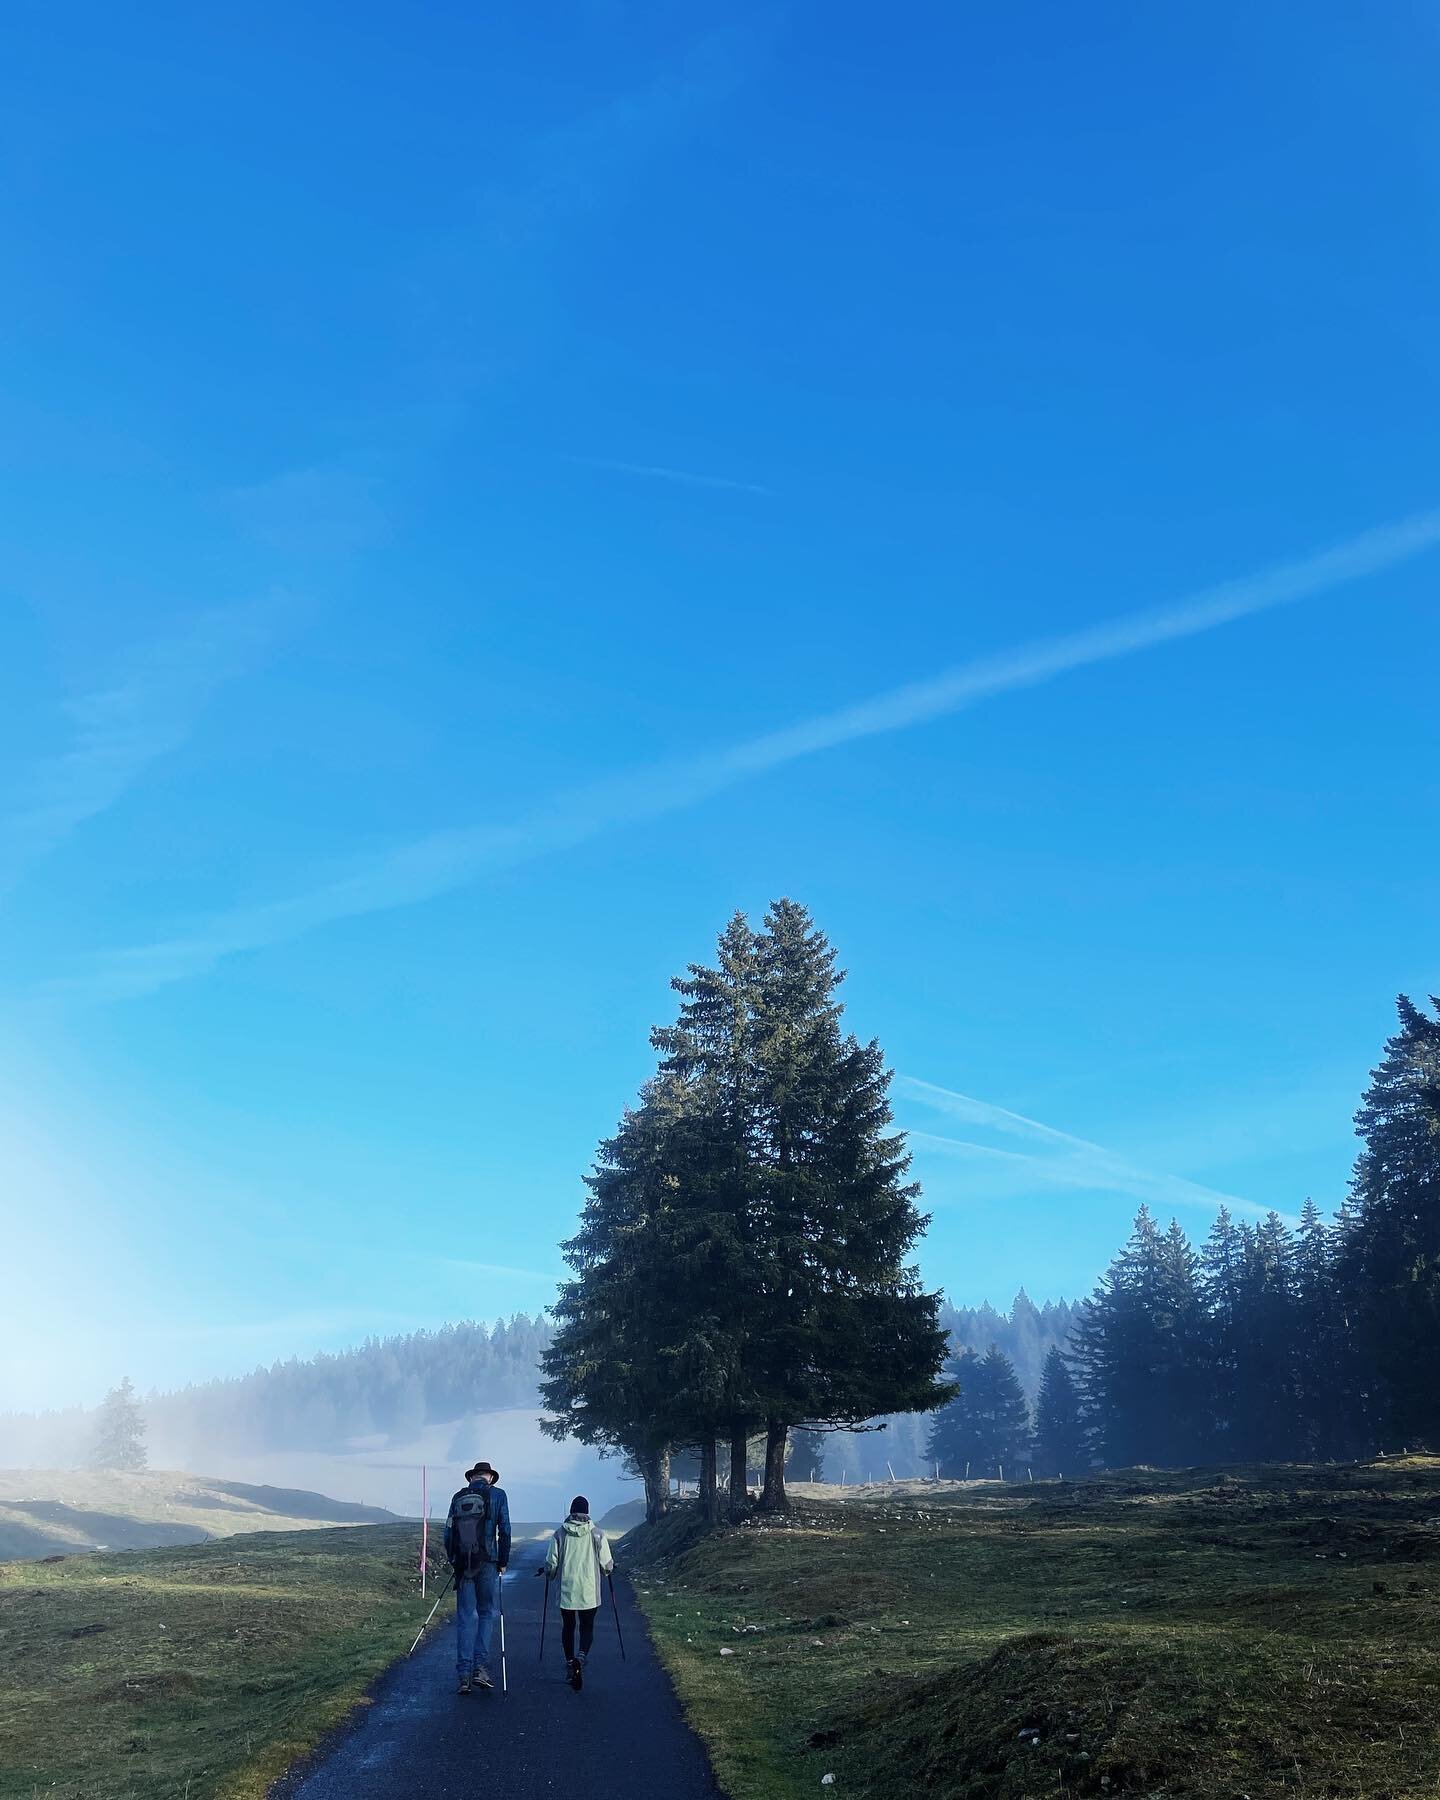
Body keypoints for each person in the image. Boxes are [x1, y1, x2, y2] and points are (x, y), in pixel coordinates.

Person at [444, 1460, 511, 1695]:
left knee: (464, 1616)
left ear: (472, 1477)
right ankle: (480, 1669)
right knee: (485, 1613)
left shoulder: (457, 1497)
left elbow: (448, 1532)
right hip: (488, 1562)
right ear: (490, 1477)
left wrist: (455, 1560)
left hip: (464, 1564)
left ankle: (463, 1675)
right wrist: (503, 1561)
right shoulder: (499, 1495)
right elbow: (505, 1530)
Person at [543, 1494, 614, 1690]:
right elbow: (607, 1565)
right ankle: (581, 1658)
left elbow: (551, 1564)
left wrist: (549, 1574)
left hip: (567, 1590)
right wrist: (608, 1571)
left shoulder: (559, 1534)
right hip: (589, 1592)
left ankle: (569, 1662)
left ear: (571, 1512)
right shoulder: (598, 1533)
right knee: (587, 1627)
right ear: (587, 1512)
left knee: (568, 1626)